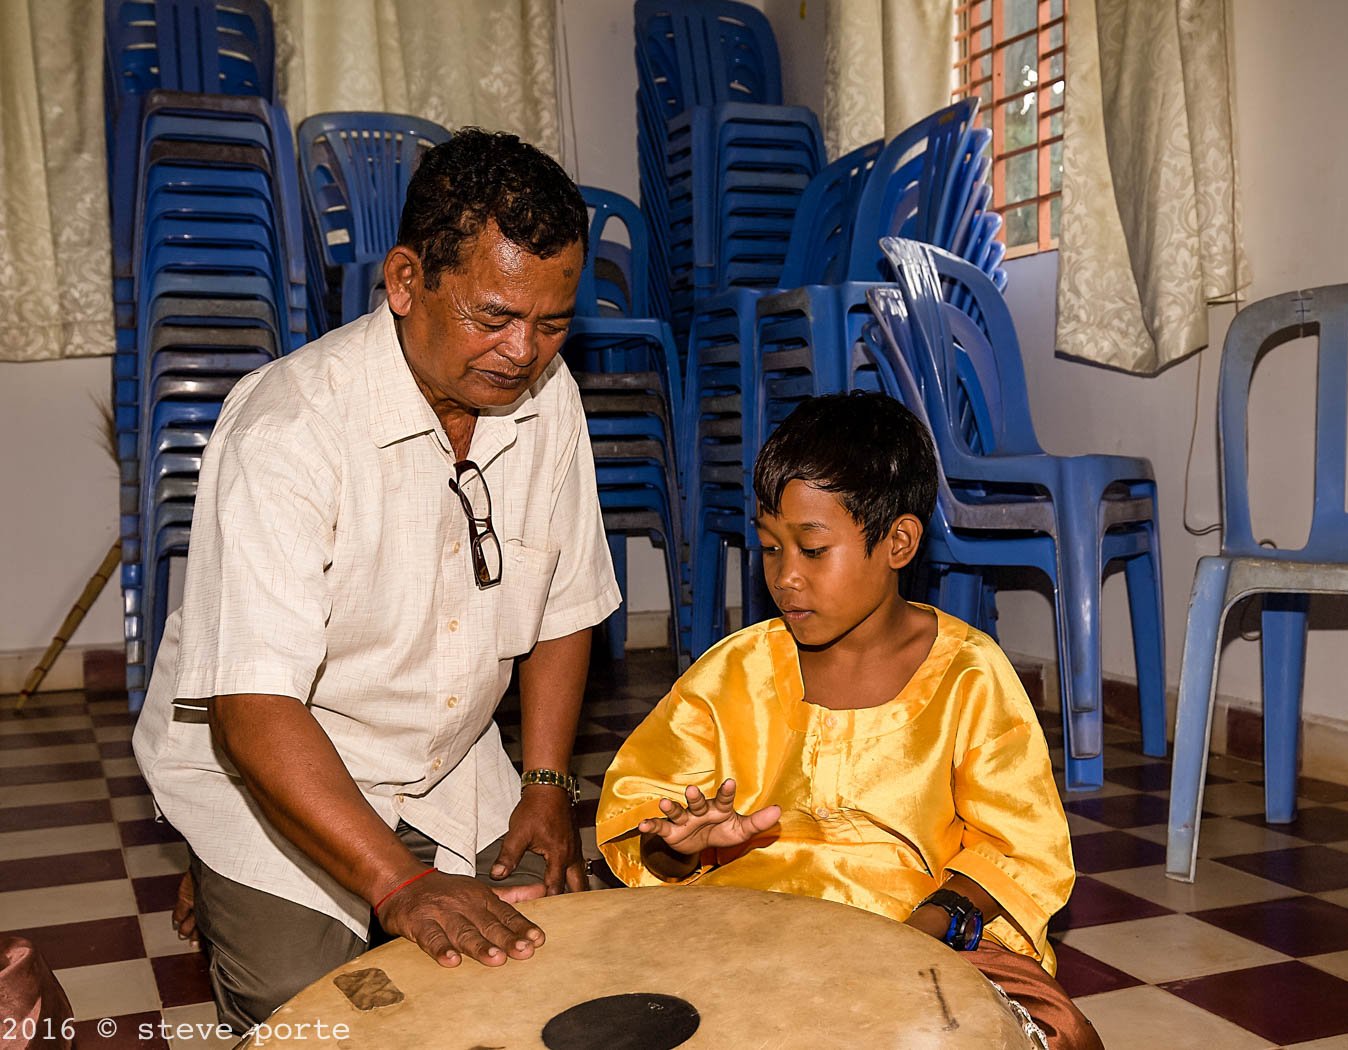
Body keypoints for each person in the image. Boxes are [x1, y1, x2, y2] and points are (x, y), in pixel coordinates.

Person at [134, 127, 621, 1032]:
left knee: (550, 968)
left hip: (446, 760)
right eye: (492, 317)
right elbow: (256, 708)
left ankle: (311, 888)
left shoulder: (548, 401)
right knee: (311, 1014)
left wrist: (547, 787)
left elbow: (566, 605)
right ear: (405, 282)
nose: (524, 353)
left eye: (552, 323)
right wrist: (399, 884)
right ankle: (234, 872)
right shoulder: (288, 429)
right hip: (275, 765)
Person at [596, 392, 1103, 1050]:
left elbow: (1020, 850)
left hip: (913, 929)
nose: (786, 579)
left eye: (812, 550)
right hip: (747, 925)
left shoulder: (969, 674)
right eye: (772, 549)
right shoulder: (735, 671)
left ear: (897, 542)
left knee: (1051, 1031)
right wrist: (677, 846)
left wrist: (922, 930)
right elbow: (642, 821)